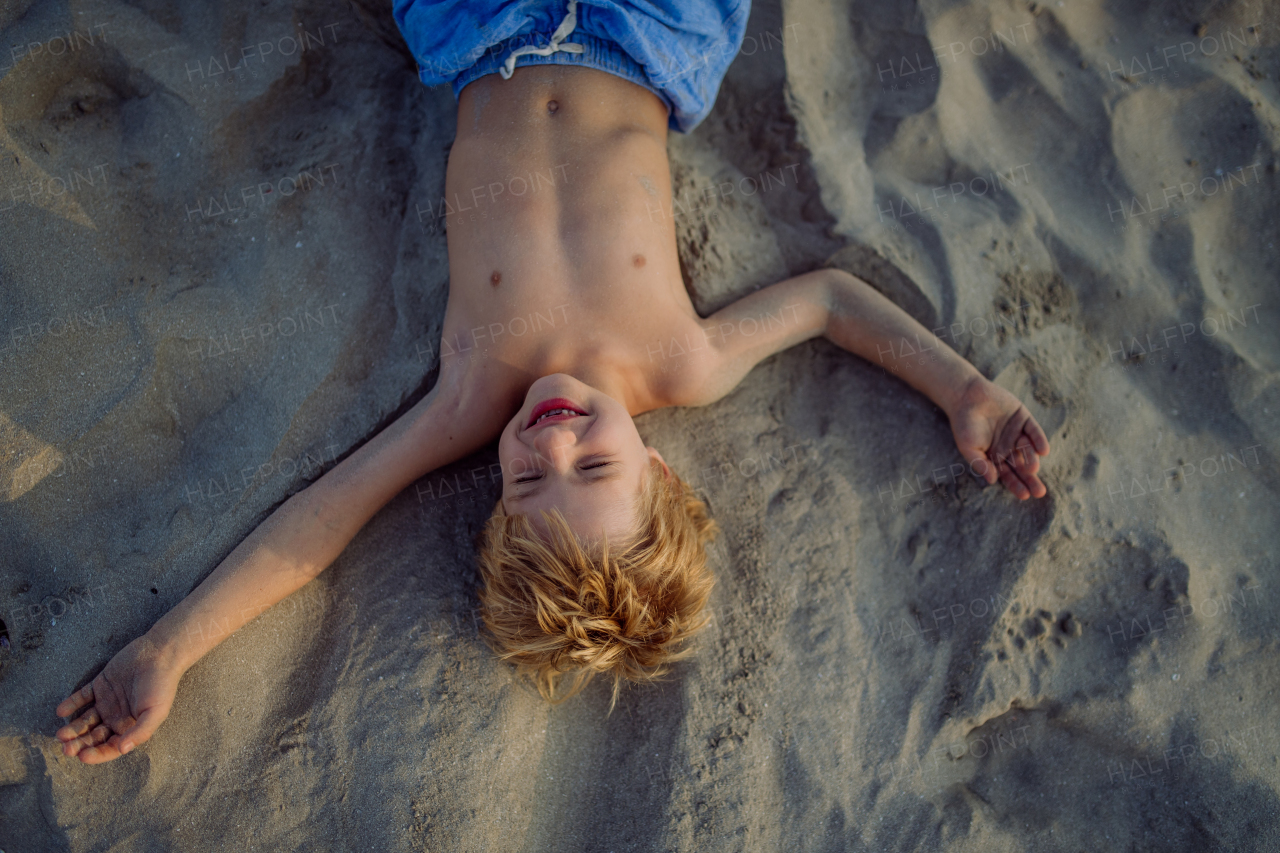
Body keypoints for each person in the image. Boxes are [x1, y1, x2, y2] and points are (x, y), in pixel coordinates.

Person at [54, 0, 1050, 763]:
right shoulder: (682, 363)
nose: (551, 439)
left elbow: (316, 526)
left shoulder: (469, 400)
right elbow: (829, 301)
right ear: (657, 469)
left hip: (482, 33)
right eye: (595, 463)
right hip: (646, 38)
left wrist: (169, 646)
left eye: (527, 481)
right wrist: (965, 391)